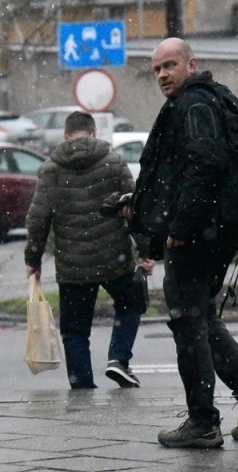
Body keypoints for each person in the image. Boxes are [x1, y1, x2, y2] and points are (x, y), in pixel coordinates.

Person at [130, 38, 238, 448]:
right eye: (157, 69)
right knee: (203, 318)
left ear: (191, 64)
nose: (163, 75)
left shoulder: (195, 105)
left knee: (187, 320)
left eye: (170, 65)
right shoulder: (213, 99)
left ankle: (203, 421)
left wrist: (181, 224)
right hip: (214, 230)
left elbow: (204, 163)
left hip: (199, 233)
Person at [24, 111, 151, 389]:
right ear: (94, 133)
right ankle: (118, 358)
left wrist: (33, 260)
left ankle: (82, 388)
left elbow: (38, 218)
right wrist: (145, 251)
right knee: (131, 305)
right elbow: (134, 209)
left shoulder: (50, 170)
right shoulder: (114, 162)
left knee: (75, 331)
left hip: (73, 266)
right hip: (114, 258)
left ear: (66, 135)